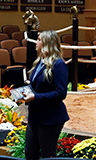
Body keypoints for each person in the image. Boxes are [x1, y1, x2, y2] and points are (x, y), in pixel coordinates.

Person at [23, 30, 70, 160]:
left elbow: (61, 93)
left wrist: (35, 97)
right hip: (35, 117)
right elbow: (37, 87)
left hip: (50, 118)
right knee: (30, 153)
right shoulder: (40, 62)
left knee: (47, 155)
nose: (36, 42)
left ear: (47, 43)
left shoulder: (59, 64)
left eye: (39, 39)